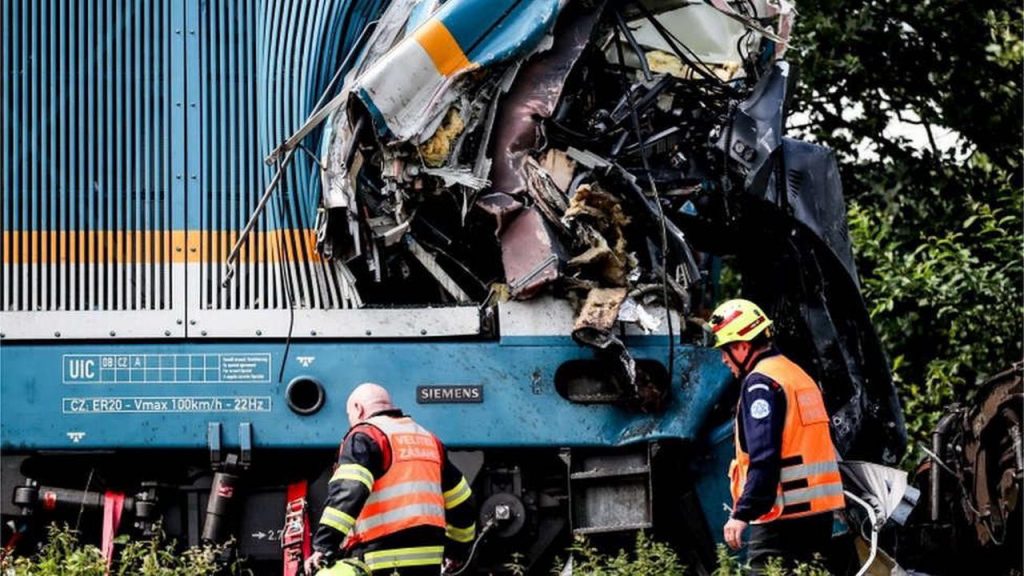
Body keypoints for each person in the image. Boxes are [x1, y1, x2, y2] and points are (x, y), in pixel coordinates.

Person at [709, 299, 845, 573]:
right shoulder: (796, 375)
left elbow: (764, 458)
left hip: (783, 517)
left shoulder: (761, 383)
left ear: (742, 346)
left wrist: (742, 513)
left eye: (725, 349)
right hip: (817, 516)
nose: (723, 359)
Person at [304, 383, 476, 576]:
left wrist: (324, 545)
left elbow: (349, 491)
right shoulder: (429, 440)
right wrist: (457, 551)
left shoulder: (366, 436)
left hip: (382, 560)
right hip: (429, 561)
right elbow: (462, 502)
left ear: (358, 409)